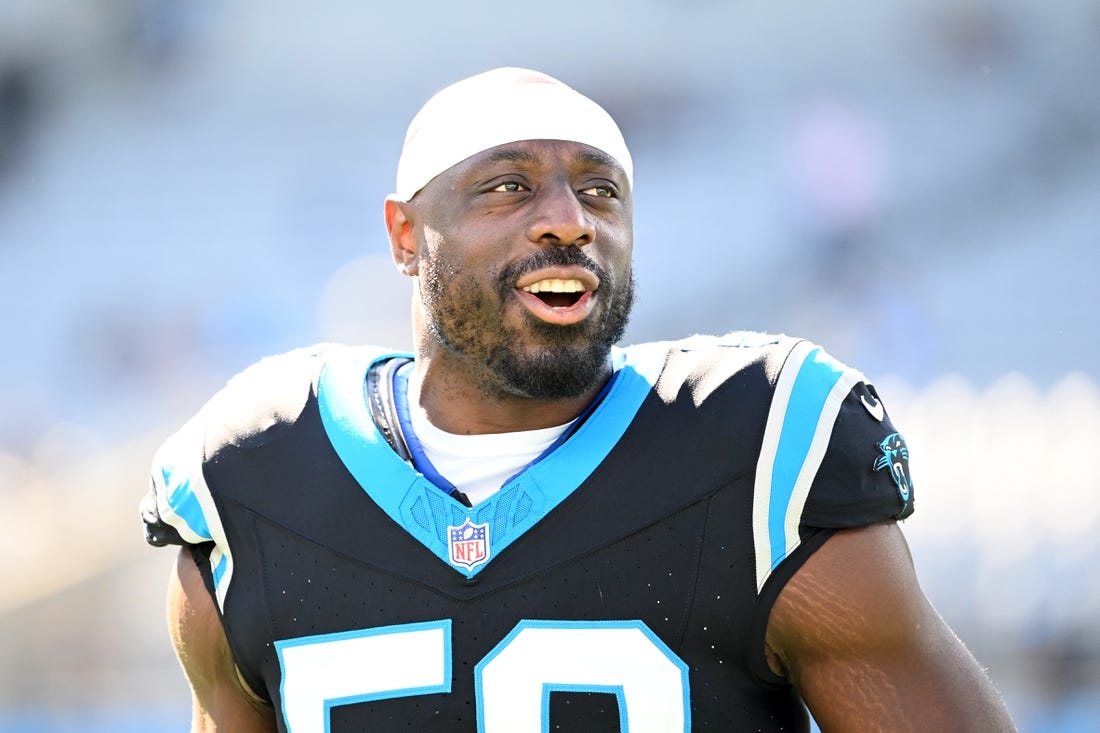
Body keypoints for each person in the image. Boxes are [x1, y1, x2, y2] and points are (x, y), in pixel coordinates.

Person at [141, 67, 1017, 732]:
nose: (568, 218)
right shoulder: (256, 475)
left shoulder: (754, 450)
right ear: (406, 235)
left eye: (600, 190)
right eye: (508, 186)